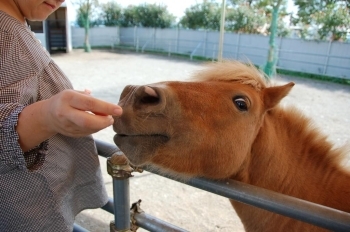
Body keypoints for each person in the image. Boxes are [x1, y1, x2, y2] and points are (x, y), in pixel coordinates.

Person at [0, 0, 123, 231]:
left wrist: (55, 100)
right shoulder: (4, 33)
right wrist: (47, 117)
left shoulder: (18, 23)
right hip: (26, 212)